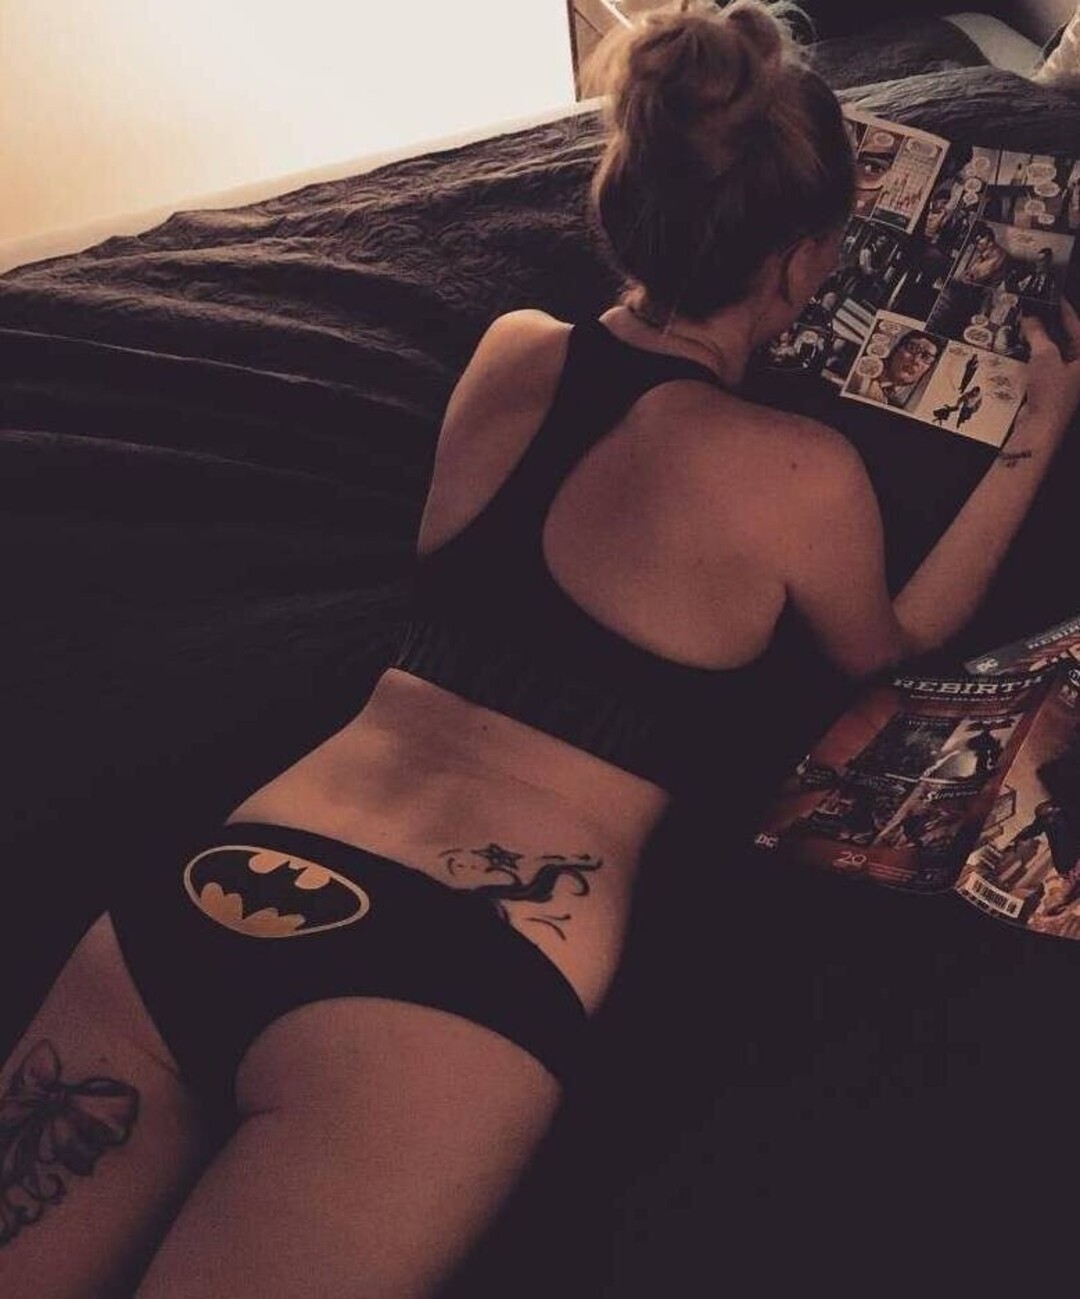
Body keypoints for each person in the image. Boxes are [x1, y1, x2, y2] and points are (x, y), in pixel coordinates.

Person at [2, 3, 1080, 1296]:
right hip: (458, 956)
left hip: (229, 874)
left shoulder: (509, 353)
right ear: (802, 266)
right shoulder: (799, 472)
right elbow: (895, 642)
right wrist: (1038, 425)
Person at [849, 329, 942, 407]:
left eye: (926, 357)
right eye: (912, 348)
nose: (916, 360)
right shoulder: (855, 367)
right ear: (896, 349)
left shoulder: (900, 407)